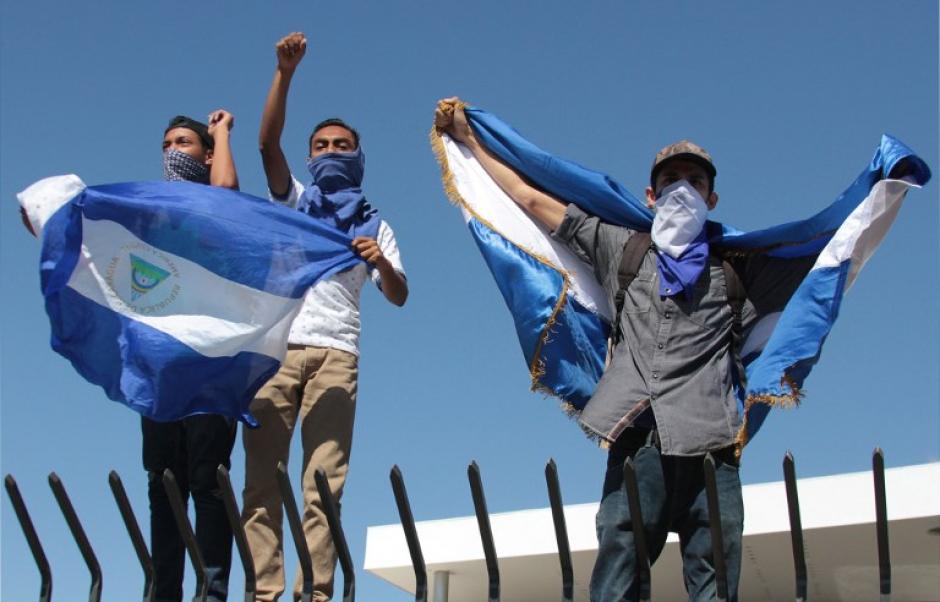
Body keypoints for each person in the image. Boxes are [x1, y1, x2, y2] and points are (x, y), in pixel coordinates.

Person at [435, 97, 817, 601]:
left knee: (717, 589)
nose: (682, 189)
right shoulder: (625, 248)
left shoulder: (738, 271)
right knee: (616, 585)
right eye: (670, 181)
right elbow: (531, 200)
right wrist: (470, 140)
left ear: (712, 199)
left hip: (715, 454)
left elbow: (827, 249)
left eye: (695, 182)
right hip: (640, 444)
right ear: (651, 195)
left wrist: (880, 191)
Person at [242, 32, 408, 602]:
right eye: (321, 144)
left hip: (338, 356)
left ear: (358, 156)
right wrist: (283, 74)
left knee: (323, 484)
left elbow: (398, 293)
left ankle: (315, 592)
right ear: (310, 157)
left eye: (341, 144)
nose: (330, 150)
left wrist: (382, 263)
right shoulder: (295, 204)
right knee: (262, 479)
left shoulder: (375, 224)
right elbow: (266, 147)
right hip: (277, 353)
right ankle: (264, 592)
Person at [144, 111, 240, 602]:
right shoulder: (153, 210)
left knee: (208, 478)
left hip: (211, 360)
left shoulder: (214, 207)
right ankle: (165, 591)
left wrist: (221, 133)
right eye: (166, 144)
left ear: (205, 154)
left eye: (183, 142)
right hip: (162, 362)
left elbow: (224, 191)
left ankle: (212, 590)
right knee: (164, 482)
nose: (172, 152)